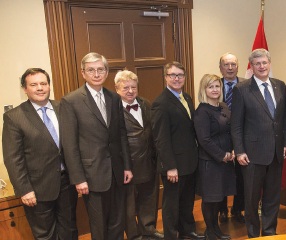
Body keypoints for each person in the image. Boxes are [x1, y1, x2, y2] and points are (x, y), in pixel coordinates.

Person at [61, 52, 133, 240]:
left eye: (100, 69)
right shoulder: (71, 101)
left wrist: (126, 166)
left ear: (107, 72)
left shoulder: (114, 98)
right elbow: (69, 145)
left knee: (117, 221)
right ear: (83, 73)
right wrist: (78, 178)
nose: (96, 74)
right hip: (91, 174)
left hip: (117, 172)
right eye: (91, 70)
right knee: (99, 224)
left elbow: (121, 135)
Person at [3, 68, 78, 240]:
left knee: (70, 229)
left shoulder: (63, 108)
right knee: (45, 235)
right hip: (37, 189)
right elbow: (13, 159)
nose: (40, 88)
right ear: (25, 89)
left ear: (49, 86)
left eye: (43, 83)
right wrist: (25, 190)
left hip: (67, 184)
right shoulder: (14, 117)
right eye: (33, 84)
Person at [231, 48, 286, 238]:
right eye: (257, 64)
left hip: (276, 152)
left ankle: (270, 233)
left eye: (264, 62)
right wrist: (239, 151)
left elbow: (284, 119)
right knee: (251, 199)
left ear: (269, 64)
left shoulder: (280, 85)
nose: (262, 66)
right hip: (252, 155)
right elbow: (236, 124)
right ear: (252, 67)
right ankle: (253, 235)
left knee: (273, 198)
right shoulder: (242, 89)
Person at [151, 62, 205, 240]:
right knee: (171, 204)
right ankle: (171, 235)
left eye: (180, 75)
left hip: (189, 161)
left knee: (187, 200)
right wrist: (170, 167)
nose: (176, 78)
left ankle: (187, 229)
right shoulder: (161, 103)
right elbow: (161, 139)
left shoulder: (187, 97)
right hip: (174, 165)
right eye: (172, 75)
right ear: (166, 77)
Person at [114, 70, 163, 240]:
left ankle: (148, 229)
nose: (130, 91)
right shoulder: (113, 109)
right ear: (117, 89)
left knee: (149, 198)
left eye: (133, 87)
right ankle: (134, 235)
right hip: (128, 165)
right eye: (125, 87)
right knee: (129, 203)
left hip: (149, 161)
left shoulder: (146, 103)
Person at [194, 74, 236, 240]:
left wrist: (232, 150)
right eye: (210, 87)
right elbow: (204, 140)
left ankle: (216, 229)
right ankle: (210, 231)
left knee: (219, 197)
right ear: (204, 89)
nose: (215, 90)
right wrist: (222, 155)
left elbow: (230, 131)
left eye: (217, 86)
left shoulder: (224, 106)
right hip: (210, 162)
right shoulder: (202, 111)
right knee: (210, 198)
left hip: (226, 160)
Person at [217, 53, 246, 224]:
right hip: (221, 139)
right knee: (221, 176)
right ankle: (221, 210)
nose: (229, 68)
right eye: (226, 64)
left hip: (242, 137)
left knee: (241, 177)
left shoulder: (246, 85)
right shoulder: (214, 85)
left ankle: (237, 210)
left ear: (238, 66)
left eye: (233, 64)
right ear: (220, 67)